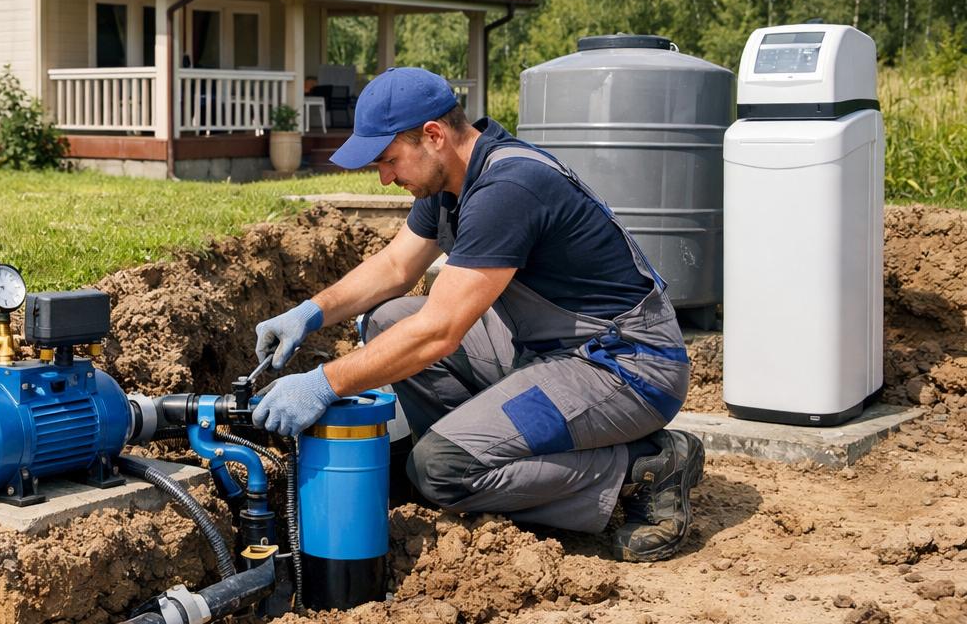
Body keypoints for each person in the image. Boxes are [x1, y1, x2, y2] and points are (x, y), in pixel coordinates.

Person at [251, 67, 704, 561]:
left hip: (625, 366)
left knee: (440, 470)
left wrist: (324, 383)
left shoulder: (509, 188)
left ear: (433, 135)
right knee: (389, 320)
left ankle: (643, 466)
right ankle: (479, 449)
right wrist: (310, 311)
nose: (384, 177)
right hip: (549, 347)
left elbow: (440, 333)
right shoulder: (450, 183)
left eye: (388, 160)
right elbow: (396, 265)